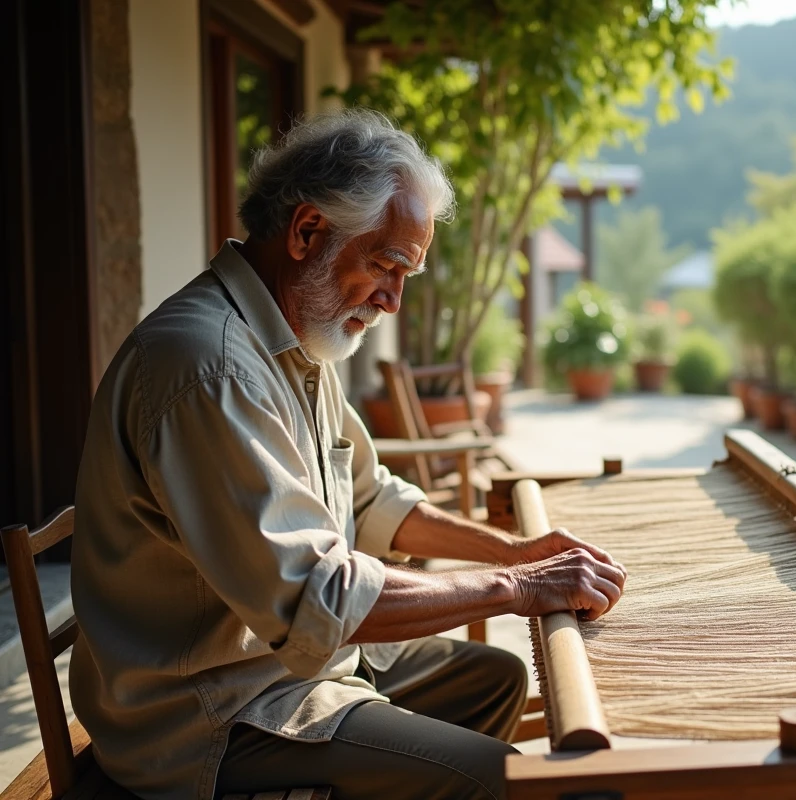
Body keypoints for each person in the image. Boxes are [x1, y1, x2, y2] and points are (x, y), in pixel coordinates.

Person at [69, 108, 626, 800]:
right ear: (307, 232)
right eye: (388, 265)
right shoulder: (208, 367)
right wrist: (517, 588)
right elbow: (317, 598)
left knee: (496, 678)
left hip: (289, 669)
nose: (393, 300)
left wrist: (512, 553)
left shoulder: (292, 339)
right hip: (211, 715)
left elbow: (369, 497)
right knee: (509, 782)